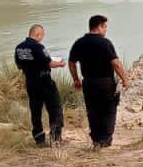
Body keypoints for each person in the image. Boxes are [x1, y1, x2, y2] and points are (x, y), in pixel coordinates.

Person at [68, 14, 130, 148]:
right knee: (108, 111)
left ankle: (96, 140)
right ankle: (105, 140)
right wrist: (125, 79)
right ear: (99, 26)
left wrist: (76, 79)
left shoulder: (79, 42)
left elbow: (71, 62)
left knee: (93, 111)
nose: (106, 30)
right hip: (105, 83)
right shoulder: (105, 42)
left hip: (88, 83)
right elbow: (116, 63)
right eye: (105, 27)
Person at [14, 24, 66, 146]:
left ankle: (39, 139)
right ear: (38, 34)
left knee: (35, 111)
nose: (42, 38)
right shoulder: (38, 46)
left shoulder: (19, 48)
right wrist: (60, 64)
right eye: (42, 36)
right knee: (55, 109)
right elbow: (49, 63)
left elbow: (19, 66)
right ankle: (55, 139)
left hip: (31, 83)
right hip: (45, 82)